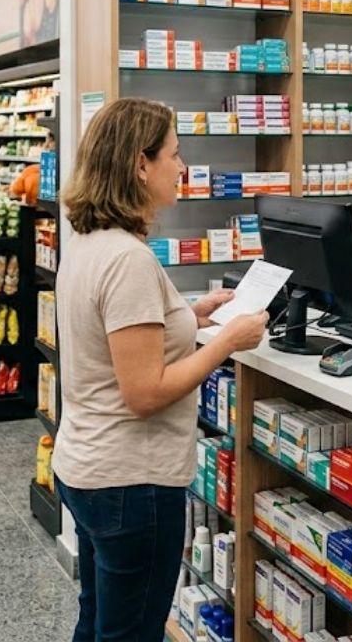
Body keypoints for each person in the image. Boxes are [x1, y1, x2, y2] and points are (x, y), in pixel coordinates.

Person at [53, 97, 268, 642]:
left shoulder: (88, 241)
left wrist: (188, 317)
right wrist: (227, 343)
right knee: (132, 634)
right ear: (139, 164)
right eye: (174, 155)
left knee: (99, 621)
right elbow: (145, 393)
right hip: (131, 481)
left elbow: (113, 334)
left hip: (88, 466)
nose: (182, 167)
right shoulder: (128, 259)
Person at [11, 131, 53, 206]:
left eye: (50, 140)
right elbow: (15, 191)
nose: (45, 145)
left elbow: (15, 191)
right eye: (46, 141)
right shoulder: (31, 171)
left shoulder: (31, 172)